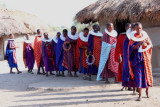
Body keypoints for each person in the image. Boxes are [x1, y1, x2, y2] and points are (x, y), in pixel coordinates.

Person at [129, 22, 153, 101]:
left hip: (145, 59)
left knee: (146, 76)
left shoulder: (145, 36)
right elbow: (131, 49)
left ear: (142, 28)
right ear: (135, 29)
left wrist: (147, 43)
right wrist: (139, 44)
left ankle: (147, 92)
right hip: (137, 61)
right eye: (137, 28)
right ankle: (140, 95)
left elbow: (151, 46)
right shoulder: (132, 38)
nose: (139, 30)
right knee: (139, 77)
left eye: (140, 28)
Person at [122, 23, 137, 93]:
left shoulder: (139, 35)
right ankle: (128, 86)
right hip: (128, 57)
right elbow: (125, 48)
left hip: (137, 56)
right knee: (129, 71)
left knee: (136, 71)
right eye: (134, 28)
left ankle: (136, 87)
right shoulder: (127, 37)